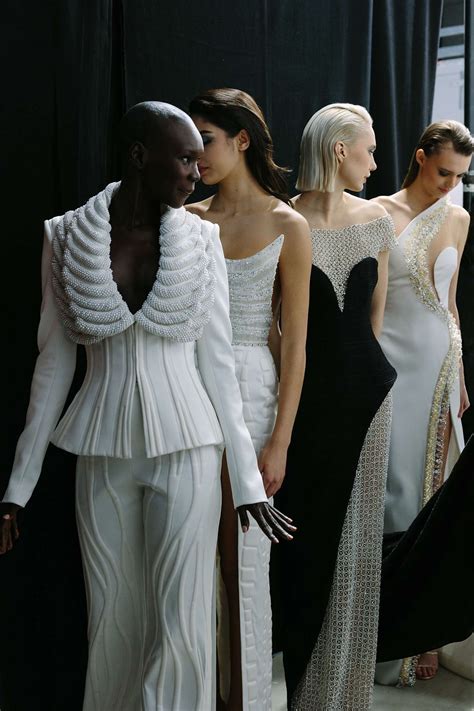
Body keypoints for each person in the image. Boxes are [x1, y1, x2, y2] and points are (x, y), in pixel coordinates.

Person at [0, 101, 295, 711]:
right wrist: (17, 488)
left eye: (199, 155)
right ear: (140, 156)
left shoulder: (202, 241)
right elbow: (51, 368)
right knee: (110, 616)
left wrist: (246, 482)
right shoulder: (65, 235)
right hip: (100, 452)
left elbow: (217, 368)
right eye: (185, 157)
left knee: (183, 620)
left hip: (189, 446)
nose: (196, 170)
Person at [186, 87, 312, 711]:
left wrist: (280, 439)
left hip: (255, 392)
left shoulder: (288, 223)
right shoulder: (187, 218)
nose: (195, 153)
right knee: (189, 556)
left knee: (247, 562)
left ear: (241, 139)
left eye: (205, 138)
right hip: (187, 391)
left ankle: (248, 701)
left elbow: (293, 346)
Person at [275, 103, 398, 710]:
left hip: (369, 401)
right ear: (338, 150)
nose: (377, 163)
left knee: (358, 545)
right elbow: (280, 333)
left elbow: (373, 324)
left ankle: (346, 696)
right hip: (306, 410)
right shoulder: (284, 222)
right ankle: (303, 692)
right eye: (369, 150)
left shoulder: (377, 221)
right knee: (307, 547)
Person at [372, 119, 473, 686]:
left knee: (437, 492)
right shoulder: (377, 213)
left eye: (459, 177)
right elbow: (374, 307)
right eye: (442, 172)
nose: (449, 186)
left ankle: (426, 635)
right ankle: (389, 639)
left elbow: (451, 303)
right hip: (394, 364)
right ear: (418, 158)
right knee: (395, 493)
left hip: (440, 365)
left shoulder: (459, 217)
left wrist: (459, 374)